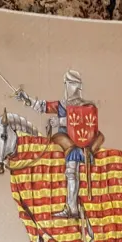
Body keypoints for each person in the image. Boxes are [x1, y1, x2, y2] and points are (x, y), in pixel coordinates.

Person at [16, 70, 104, 219]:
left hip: (76, 144)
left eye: (73, 84)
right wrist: (26, 98)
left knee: (72, 169)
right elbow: (42, 106)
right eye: (68, 83)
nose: (70, 87)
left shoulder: (86, 106)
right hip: (62, 139)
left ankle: (72, 208)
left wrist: (60, 121)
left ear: (79, 86)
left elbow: (85, 121)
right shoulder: (61, 105)